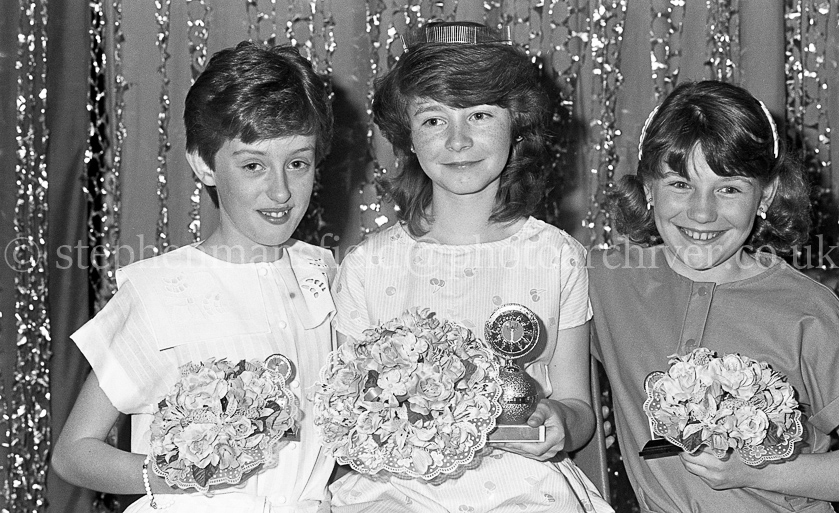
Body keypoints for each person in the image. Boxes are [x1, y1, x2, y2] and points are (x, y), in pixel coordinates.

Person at [328, 21, 613, 513]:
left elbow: (578, 406)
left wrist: (560, 422)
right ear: (408, 136)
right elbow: (346, 411)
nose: (457, 142)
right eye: (434, 120)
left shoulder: (556, 255)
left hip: (521, 483)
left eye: (479, 115)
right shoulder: (368, 267)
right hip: (397, 487)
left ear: (517, 124)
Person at [51, 41, 335, 512]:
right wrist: (176, 475)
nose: (281, 189)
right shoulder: (160, 290)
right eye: (252, 165)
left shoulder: (323, 271)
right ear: (204, 164)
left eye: (298, 163)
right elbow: (74, 453)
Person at [589, 80, 839, 512]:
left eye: (729, 188)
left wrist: (759, 470)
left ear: (767, 193)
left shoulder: (810, 311)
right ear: (648, 188)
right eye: (680, 184)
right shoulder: (606, 280)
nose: (701, 213)